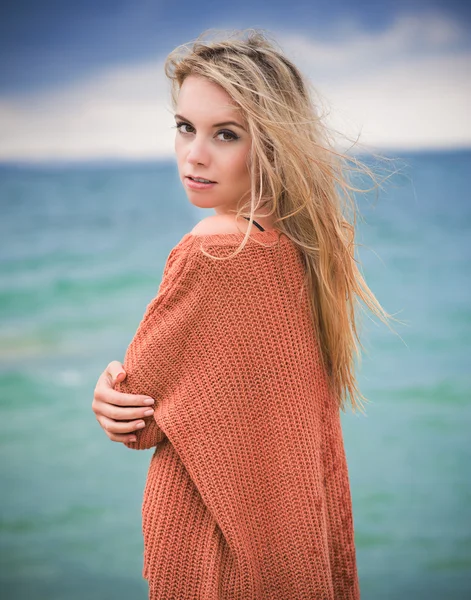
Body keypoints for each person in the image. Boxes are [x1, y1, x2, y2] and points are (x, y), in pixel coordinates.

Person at [92, 29, 398, 599]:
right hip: (286, 550)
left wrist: (108, 390)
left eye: (225, 135)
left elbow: (139, 419)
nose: (194, 154)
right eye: (185, 128)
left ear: (272, 145)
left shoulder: (213, 250)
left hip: (219, 556)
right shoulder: (305, 248)